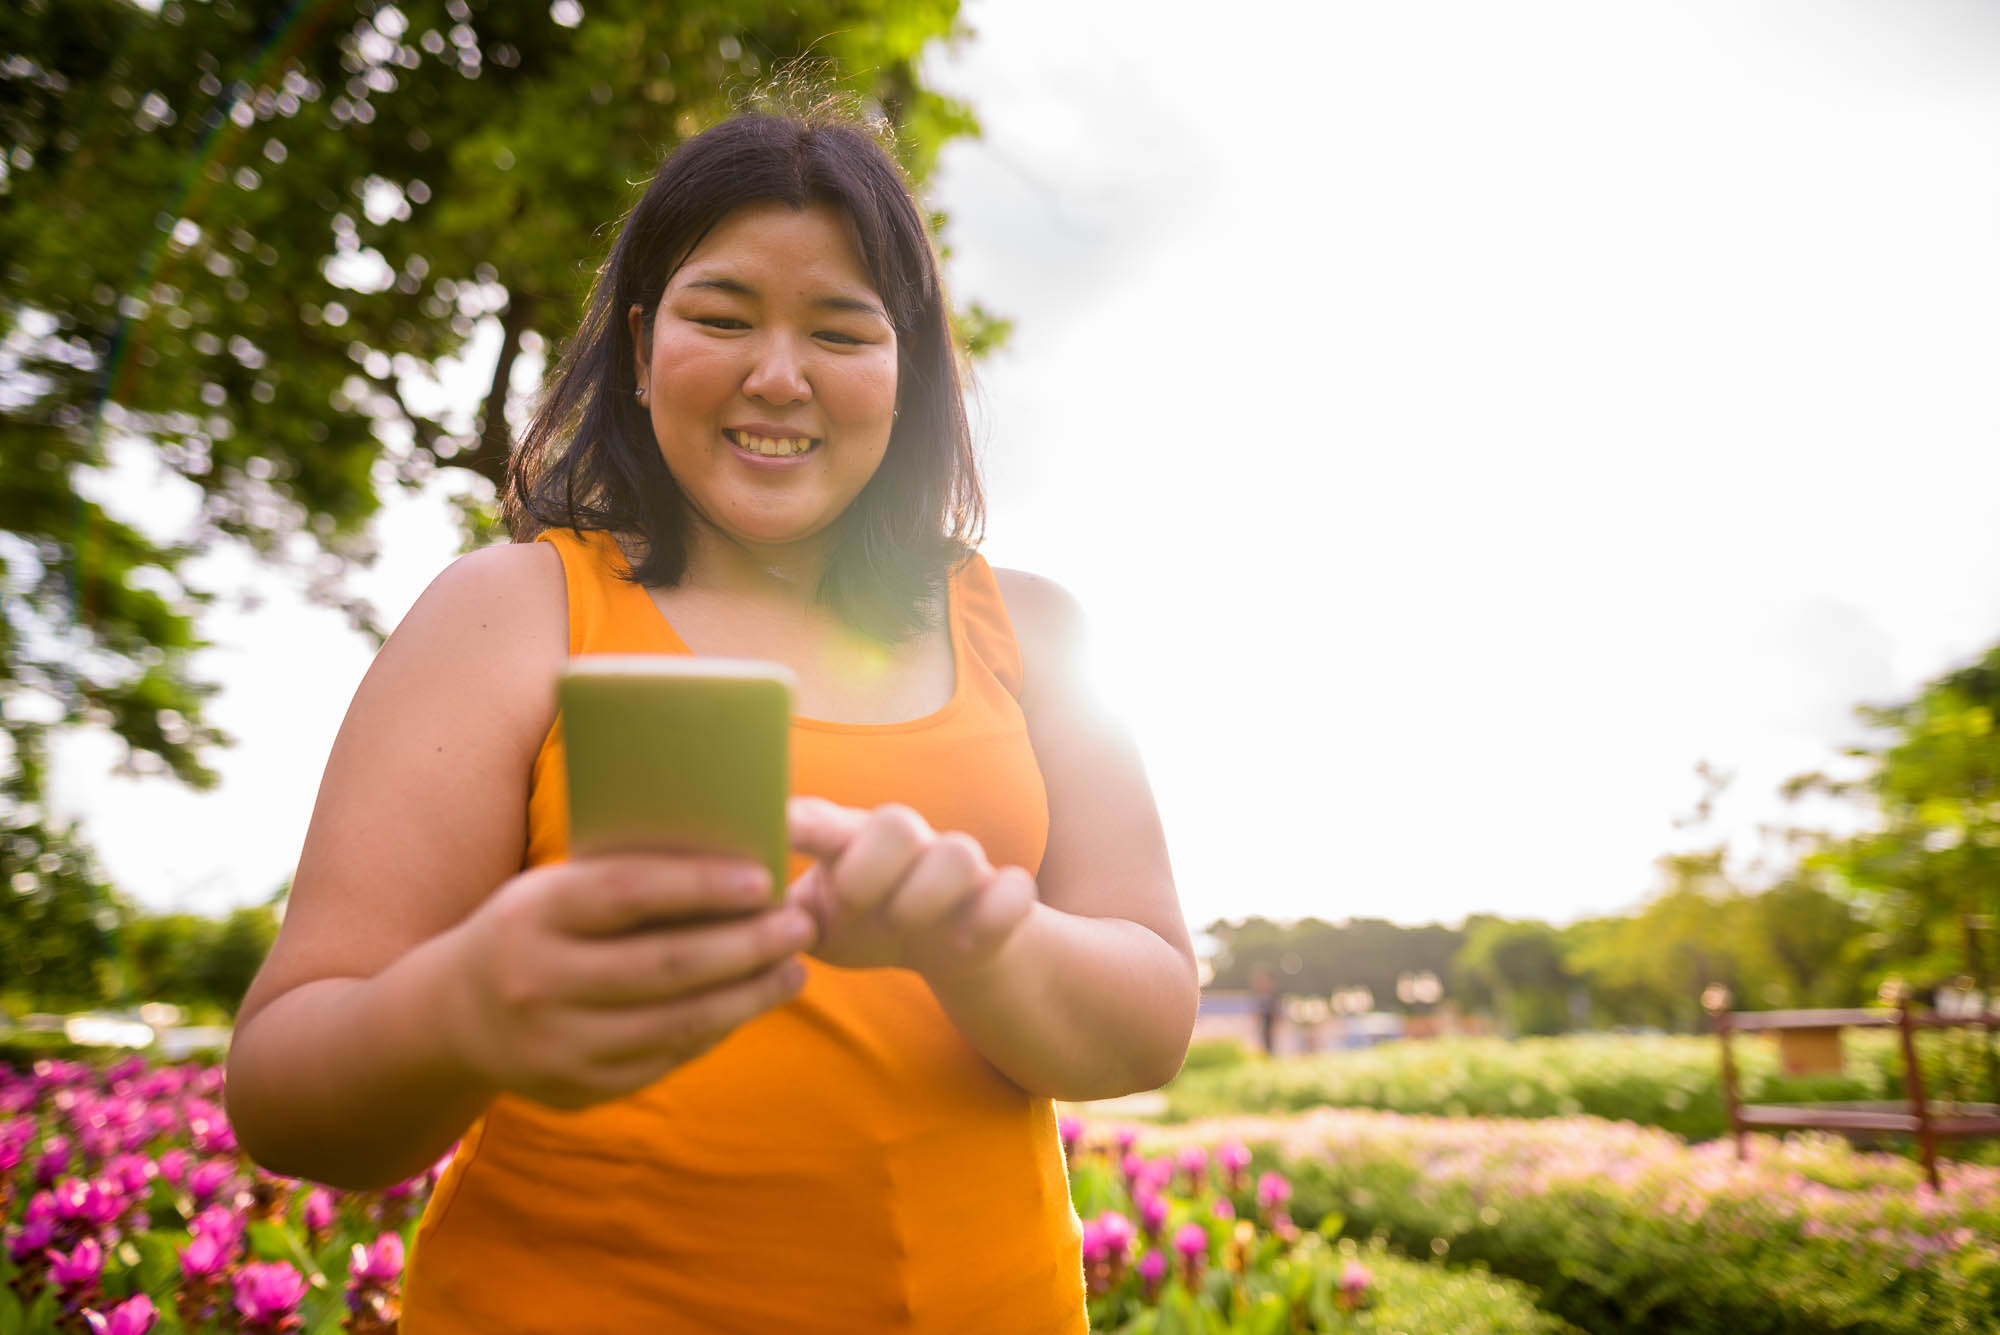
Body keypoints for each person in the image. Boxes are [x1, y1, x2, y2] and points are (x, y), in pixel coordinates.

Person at [224, 104, 1197, 1333]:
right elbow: (284, 1093)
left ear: (908, 373)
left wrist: (979, 941)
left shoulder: (1038, 636)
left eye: (841, 330)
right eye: (721, 317)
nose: (775, 375)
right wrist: (466, 1004)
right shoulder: (510, 610)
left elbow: (1150, 1022)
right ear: (640, 347)